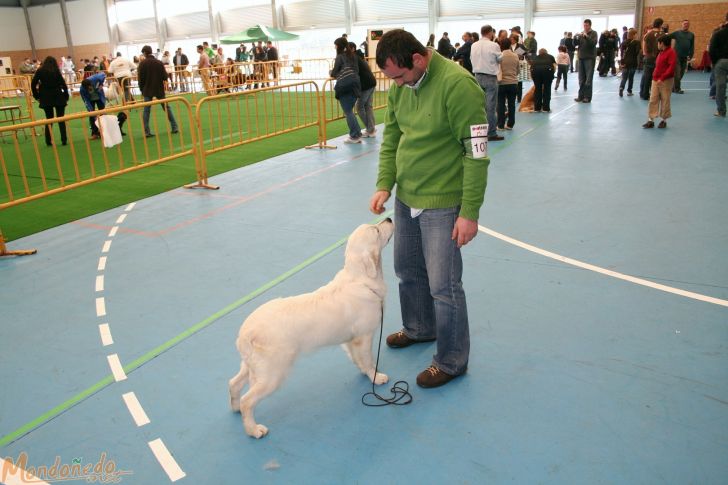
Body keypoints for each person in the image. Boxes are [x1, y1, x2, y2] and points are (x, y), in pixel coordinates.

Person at [369, 29, 488, 389]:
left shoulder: (458, 85)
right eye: (391, 79)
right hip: (407, 196)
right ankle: (420, 328)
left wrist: (469, 211)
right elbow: (392, 136)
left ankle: (452, 360)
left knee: (444, 286)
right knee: (407, 269)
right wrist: (384, 183)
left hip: (444, 202)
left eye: (400, 76)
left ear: (418, 60)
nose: (397, 84)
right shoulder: (401, 86)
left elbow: (477, 153)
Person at [471, 24, 503, 141]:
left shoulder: (474, 45)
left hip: (477, 77)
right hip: (490, 77)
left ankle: (480, 132)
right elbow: (500, 59)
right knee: (491, 107)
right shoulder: (494, 45)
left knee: (479, 106)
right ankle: (491, 133)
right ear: (490, 33)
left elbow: (471, 58)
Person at [137, 45, 178, 137]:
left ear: (144, 53)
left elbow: (140, 79)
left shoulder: (142, 64)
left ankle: (147, 132)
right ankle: (174, 127)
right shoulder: (159, 62)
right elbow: (165, 77)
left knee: (146, 110)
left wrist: (142, 89)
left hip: (147, 90)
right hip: (159, 89)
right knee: (167, 108)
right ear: (151, 52)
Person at [31, 56, 69, 147]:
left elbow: (33, 84)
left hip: (45, 97)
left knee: (49, 119)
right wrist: (66, 96)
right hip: (58, 96)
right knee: (61, 119)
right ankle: (64, 140)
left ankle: (48, 141)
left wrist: (36, 96)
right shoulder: (56, 71)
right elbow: (63, 84)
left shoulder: (40, 71)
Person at [330, 37, 362, 144]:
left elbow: (334, 72)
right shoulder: (353, 56)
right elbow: (356, 71)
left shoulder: (340, 57)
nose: (335, 47)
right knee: (350, 112)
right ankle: (357, 133)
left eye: (335, 45)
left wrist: (332, 73)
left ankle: (354, 135)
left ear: (339, 46)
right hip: (355, 86)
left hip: (345, 87)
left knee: (348, 112)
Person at [643, 35, 677, 129]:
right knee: (653, 99)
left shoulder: (671, 52)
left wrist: (662, 78)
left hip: (665, 80)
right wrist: (655, 77)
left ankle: (664, 120)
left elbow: (671, 67)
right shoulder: (661, 52)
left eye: (658, 43)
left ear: (662, 43)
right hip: (656, 79)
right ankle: (651, 120)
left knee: (665, 99)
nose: (657, 45)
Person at [350, 42, 377, 138]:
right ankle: (372, 129)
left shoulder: (354, 58)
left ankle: (371, 129)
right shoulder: (359, 56)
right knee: (368, 106)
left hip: (366, 85)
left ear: (352, 49)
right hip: (371, 82)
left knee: (359, 107)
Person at [708, 13, 728, 117]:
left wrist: (715, 62)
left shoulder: (718, 33)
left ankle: (721, 111)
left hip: (721, 62)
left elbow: (711, 50)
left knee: (721, 87)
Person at [497, 38, 519, 130]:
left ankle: (501, 125)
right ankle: (510, 124)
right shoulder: (515, 56)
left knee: (501, 104)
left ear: (501, 45)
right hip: (513, 83)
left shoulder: (499, 56)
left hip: (502, 83)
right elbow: (518, 71)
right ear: (510, 45)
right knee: (512, 104)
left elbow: (497, 69)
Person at [574, 19, 598, 103]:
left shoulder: (594, 33)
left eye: (587, 25)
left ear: (590, 25)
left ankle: (587, 97)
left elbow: (593, 43)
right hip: (581, 58)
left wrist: (586, 37)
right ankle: (580, 96)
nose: (585, 27)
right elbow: (575, 44)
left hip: (589, 58)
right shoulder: (581, 34)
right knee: (581, 78)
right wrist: (575, 37)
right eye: (584, 25)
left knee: (588, 79)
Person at [640, 18, 664, 100]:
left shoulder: (648, 34)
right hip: (659, 58)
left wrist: (646, 54)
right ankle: (656, 94)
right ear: (660, 25)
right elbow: (663, 48)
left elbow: (644, 47)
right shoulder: (663, 34)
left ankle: (645, 94)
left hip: (648, 57)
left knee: (647, 77)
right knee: (657, 77)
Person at [79, 72, 107, 140]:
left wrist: (101, 84)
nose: (90, 88)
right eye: (88, 88)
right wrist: (91, 111)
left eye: (90, 86)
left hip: (99, 97)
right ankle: (94, 133)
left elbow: (103, 74)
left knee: (102, 114)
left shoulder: (95, 78)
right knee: (92, 116)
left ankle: (104, 132)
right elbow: (86, 101)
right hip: (90, 100)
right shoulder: (82, 90)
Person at [670, 20, 695, 94]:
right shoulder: (677, 33)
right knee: (677, 73)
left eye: (687, 24)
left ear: (689, 25)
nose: (686, 25)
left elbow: (692, 46)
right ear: (682, 24)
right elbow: (667, 37)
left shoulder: (691, 35)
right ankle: (677, 89)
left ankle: (673, 87)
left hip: (685, 57)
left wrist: (691, 55)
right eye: (684, 23)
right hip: (676, 56)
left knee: (681, 74)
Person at [530, 48, 556, 112]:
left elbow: (531, 68)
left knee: (537, 89)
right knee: (547, 89)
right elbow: (554, 66)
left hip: (535, 72)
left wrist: (533, 78)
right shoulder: (551, 57)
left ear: (539, 53)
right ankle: (546, 108)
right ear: (546, 52)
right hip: (547, 72)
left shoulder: (535, 57)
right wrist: (552, 75)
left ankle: (537, 108)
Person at [619, 28, 641, 97]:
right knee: (631, 77)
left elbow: (622, 53)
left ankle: (621, 87)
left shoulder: (623, 42)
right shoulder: (637, 42)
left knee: (624, 77)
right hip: (633, 62)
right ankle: (629, 91)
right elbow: (637, 52)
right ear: (634, 35)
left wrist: (622, 62)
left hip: (625, 62)